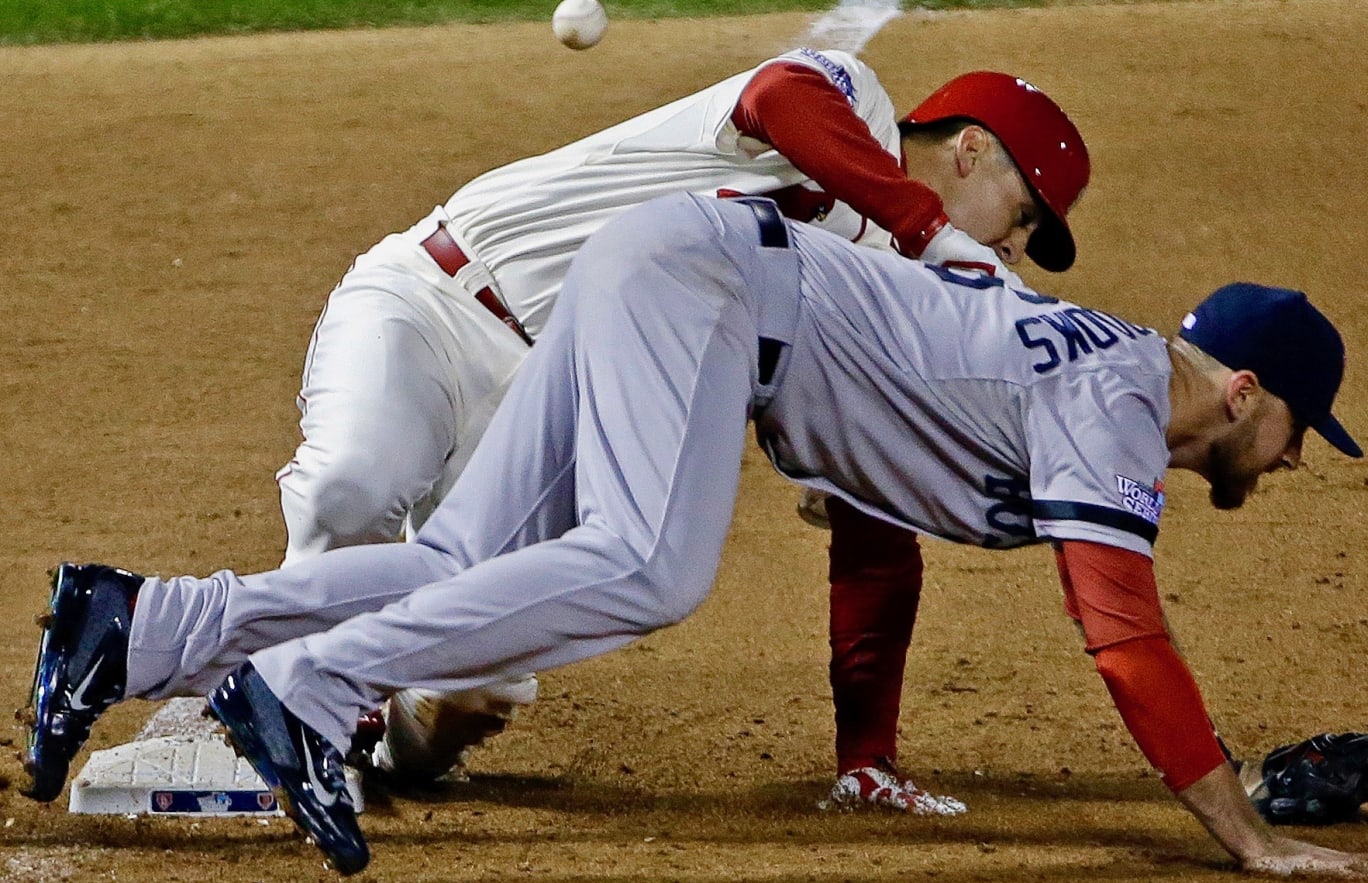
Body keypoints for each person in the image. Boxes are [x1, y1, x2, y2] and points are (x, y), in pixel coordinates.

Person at [21, 192, 1368, 881]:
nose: (1297, 457)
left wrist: (868, 749)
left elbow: (889, 488)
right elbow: (1121, 630)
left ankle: (142, 626)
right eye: (1299, 427)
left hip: (684, 267)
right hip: (711, 284)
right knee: (645, 565)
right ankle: (309, 690)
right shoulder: (1120, 400)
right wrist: (1239, 830)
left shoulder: (1088, 363)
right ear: (1245, 393)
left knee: (463, 567)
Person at [272, 46, 1091, 809]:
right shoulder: (851, 103)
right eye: (1021, 218)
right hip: (435, 302)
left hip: (544, 425)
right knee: (355, 485)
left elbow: (871, 527)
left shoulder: (873, 299)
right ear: (972, 149)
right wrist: (932, 232)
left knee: (478, 684)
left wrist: (865, 757)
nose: (1012, 248)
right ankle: (274, 690)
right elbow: (777, 96)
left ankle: (367, 738)